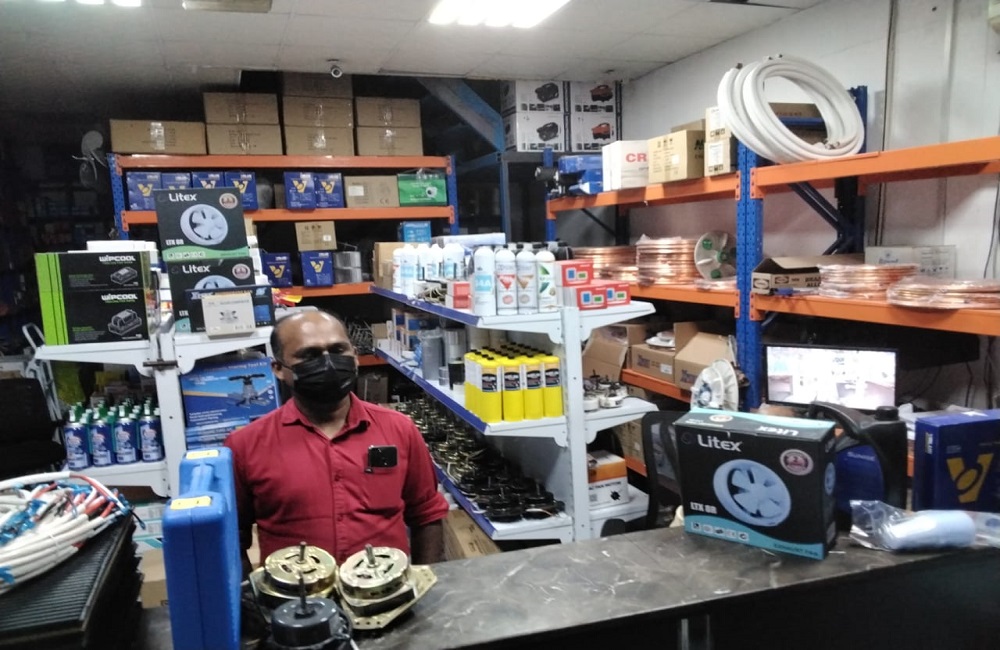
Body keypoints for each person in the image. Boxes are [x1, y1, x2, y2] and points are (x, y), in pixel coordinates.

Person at [224, 309, 449, 575]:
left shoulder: (399, 430)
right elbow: (231, 537)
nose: (328, 362)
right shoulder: (245, 446)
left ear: (355, 356)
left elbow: (427, 515)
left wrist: (427, 583)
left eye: (338, 350)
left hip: (387, 592)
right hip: (296, 597)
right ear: (278, 369)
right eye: (309, 355)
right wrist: (246, 595)